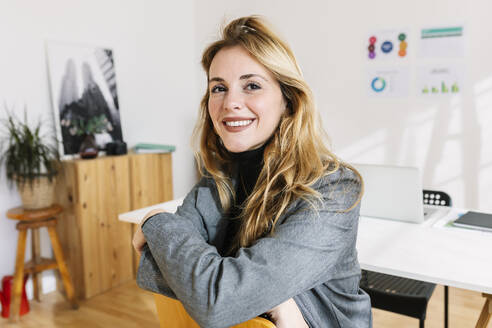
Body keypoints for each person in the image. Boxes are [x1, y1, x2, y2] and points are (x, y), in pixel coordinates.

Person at [132, 16, 372, 328]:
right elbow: (152, 269)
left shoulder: (334, 189)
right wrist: (269, 301)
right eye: (219, 88)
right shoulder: (217, 180)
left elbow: (217, 300)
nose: (230, 102)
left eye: (252, 86)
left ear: (288, 100)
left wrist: (155, 221)